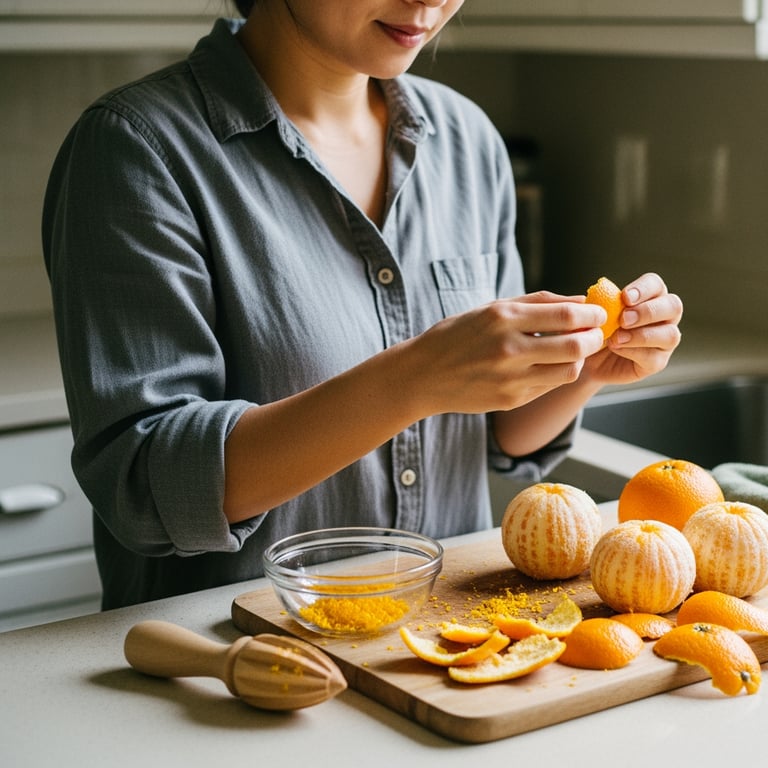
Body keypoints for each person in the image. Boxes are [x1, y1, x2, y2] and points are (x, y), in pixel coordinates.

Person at [41, 0, 683, 610]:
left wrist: (584, 368)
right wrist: (415, 377)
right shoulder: (136, 148)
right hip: (228, 658)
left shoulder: (468, 141)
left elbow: (495, 432)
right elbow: (147, 488)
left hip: (434, 647)